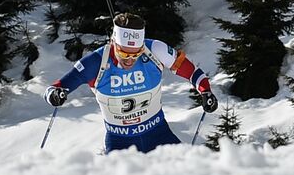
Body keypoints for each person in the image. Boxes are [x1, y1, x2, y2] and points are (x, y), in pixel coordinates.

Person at [45, 12, 218, 153]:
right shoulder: (97, 62)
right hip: (120, 143)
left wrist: (205, 91)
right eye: (124, 53)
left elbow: (193, 72)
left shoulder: (154, 50)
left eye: (136, 54)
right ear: (113, 42)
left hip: (159, 135)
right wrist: (55, 95)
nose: (130, 60)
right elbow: (55, 88)